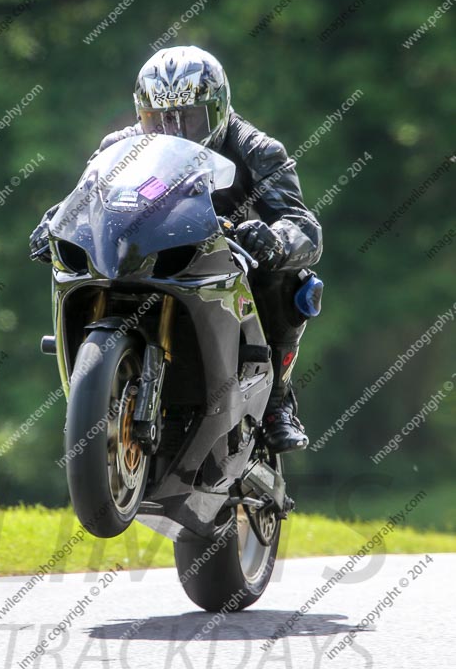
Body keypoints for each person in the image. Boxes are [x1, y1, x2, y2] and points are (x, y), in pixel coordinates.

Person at [30, 45, 322, 454]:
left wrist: (276, 239)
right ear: (140, 113)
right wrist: (53, 222)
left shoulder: (257, 148)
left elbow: (305, 225)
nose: (173, 129)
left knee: (295, 281)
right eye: (158, 118)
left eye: (188, 116)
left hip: (228, 260)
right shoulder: (120, 145)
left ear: (218, 109)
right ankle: (98, 385)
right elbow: (84, 197)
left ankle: (277, 403)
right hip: (148, 255)